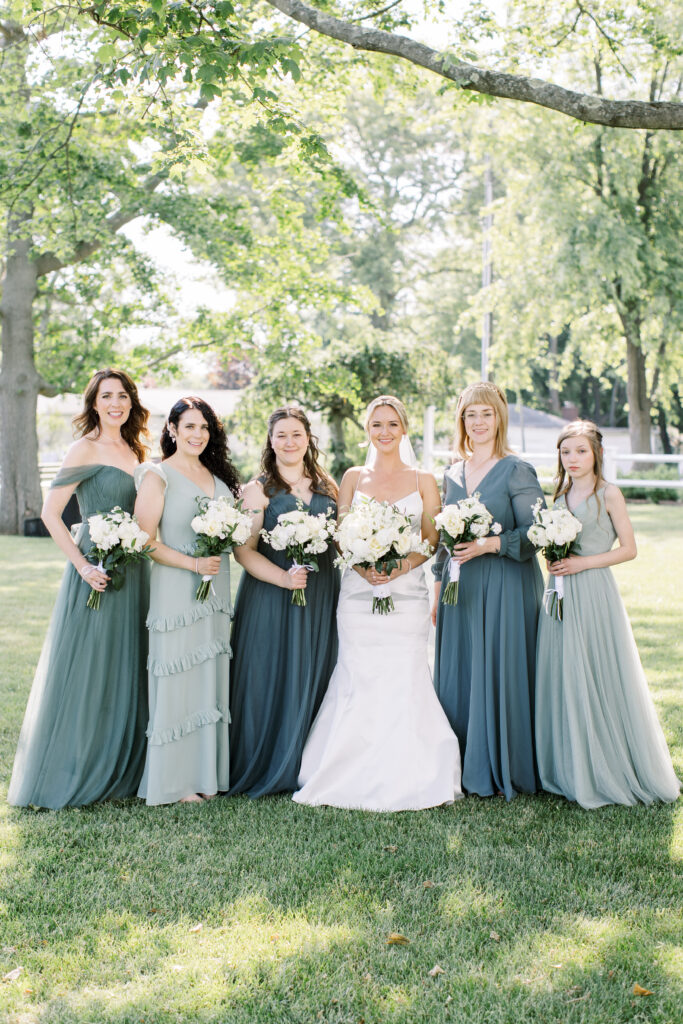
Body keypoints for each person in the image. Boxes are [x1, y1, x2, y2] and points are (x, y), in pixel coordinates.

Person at [293, 395, 462, 811]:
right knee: (357, 672)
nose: (384, 432)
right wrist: (361, 564)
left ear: (404, 428)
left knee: (405, 673)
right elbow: (340, 533)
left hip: (405, 595)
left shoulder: (423, 479)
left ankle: (416, 770)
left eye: (391, 424)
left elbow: (432, 540)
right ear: (367, 430)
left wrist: (401, 566)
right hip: (357, 591)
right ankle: (343, 768)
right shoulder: (352, 477)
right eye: (376, 425)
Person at [8, 369, 150, 809]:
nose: (116, 403)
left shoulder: (136, 449)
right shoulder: (82, 447)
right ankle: (78, 766)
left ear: (131, 402)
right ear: (93, 403)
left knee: (127, 660)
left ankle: (123, 765)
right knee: (90, 664)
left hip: (134, 566)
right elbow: (53, 514)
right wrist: (85, 566)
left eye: (123, 396)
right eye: (107, 396)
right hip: (96, 567)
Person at [535, 421, 680, 808]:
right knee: (564, 673)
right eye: (566, 452)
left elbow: (629, 548)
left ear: (595, 452)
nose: (573, 459)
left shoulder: (608, 493)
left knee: (595, 670)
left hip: (593, 590)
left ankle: (605, 765)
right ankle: (568, 765)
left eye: (580, 451)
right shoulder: (561, 493)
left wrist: (584, 564)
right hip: (558, 592)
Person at [432, 381, 544, 801]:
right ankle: (459, 763)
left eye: (486, 414)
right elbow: (445, 539)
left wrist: (489, 544)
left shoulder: (516, 469)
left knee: (499, 668)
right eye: (470, 415)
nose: (478, 422)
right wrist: (438, 587)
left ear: (500, 418)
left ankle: (503, 766)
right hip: (460, 589)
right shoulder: (452, 472)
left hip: (505, 585)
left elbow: (537, 531)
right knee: (462, 669)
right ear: (461, 420)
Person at [228, 407, 340, 797]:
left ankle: (307, 763)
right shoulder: (257, 490)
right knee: (267, 674)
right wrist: (283, 579)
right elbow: (243, 551)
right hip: (271, 596)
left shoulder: (328, 487)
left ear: (308, 438)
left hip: (321, 594)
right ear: (270, 441)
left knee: (314, 670)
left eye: (296, 434)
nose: (289, 442)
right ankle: (266, 761)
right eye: (281, 435)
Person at [134, 397, 240, 805]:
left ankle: (204, 776)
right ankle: (175, 782)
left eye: (204, 428)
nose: (197, 434)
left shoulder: (218, 478)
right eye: (189, 426)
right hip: (178, 590)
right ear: (172, 430)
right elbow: (143, 541)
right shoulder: (157, 475)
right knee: (179, 678)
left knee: (206, 680)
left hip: (213, 595)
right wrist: (193, 564)